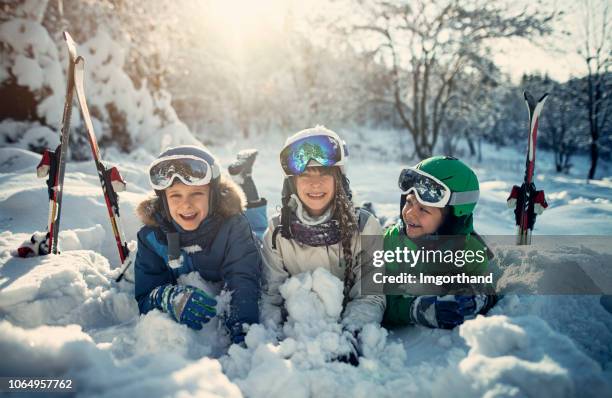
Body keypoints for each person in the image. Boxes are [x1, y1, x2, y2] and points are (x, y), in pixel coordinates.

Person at [261, 126, 385, 365]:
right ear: (292, 183)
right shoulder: (277, 233)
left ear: (339, 179)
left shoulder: (365, 227)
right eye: (306, 175)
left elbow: (370, 294)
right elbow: (269, 298)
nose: (315, 184)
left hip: (343, 325)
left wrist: (352, 334)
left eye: (323, 174)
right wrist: (273, 338)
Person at [134, 145, 263, 345]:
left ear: (212, 196)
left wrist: (242, 331)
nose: (186, 204)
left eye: (196, 193)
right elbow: (145, 295)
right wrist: (166, 296)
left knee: (257, 228)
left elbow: (242, 279)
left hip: (244, 235)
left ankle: (244, 178)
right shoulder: (151, 238)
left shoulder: (234, 226)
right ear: (163, 201)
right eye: (176, 195)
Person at [383, 156, 497, 329]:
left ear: (451, 219)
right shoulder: (392, 242)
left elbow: (487, 289)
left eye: (423, 209)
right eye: (408, 202)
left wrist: (477, 299)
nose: (410, 213)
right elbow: (378, 298)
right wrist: (416, 310)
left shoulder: (470, 251)